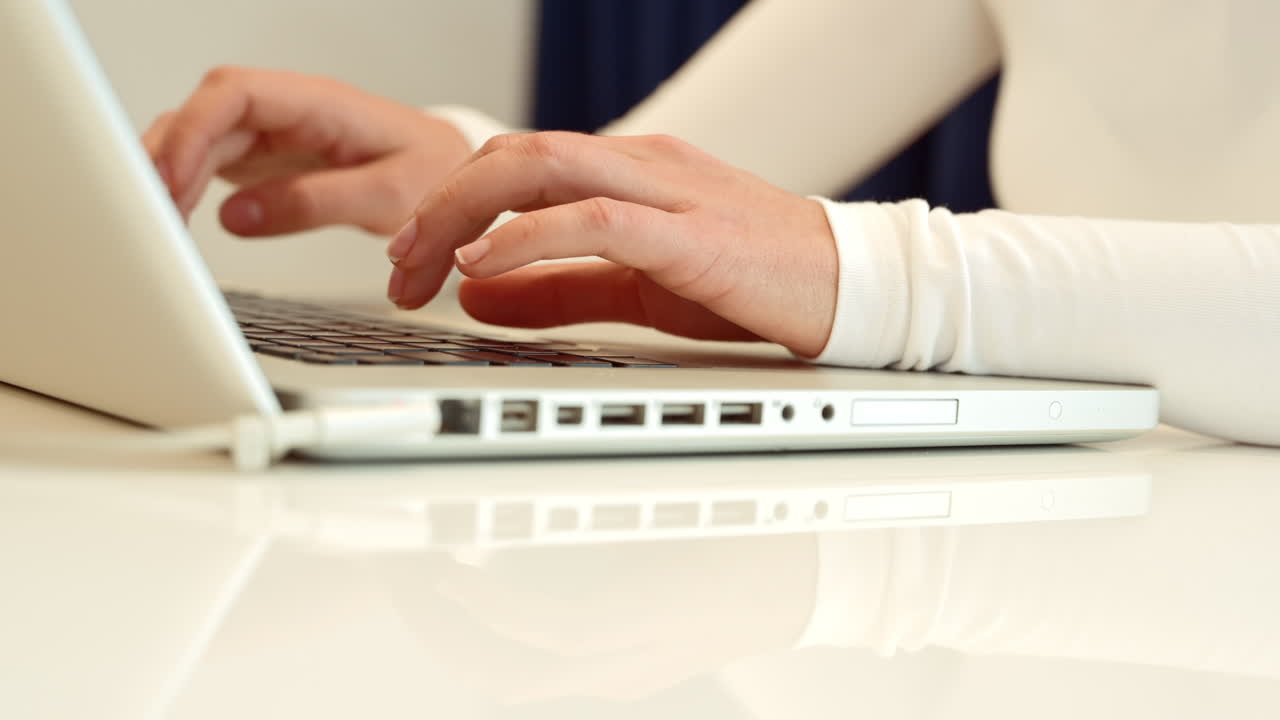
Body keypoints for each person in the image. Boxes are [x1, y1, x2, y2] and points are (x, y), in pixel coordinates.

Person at [144, 0, 1280, 447]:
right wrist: (474, 169)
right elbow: (714, 191)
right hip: (1072, 554)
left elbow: (812, 257)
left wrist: (877, 272)